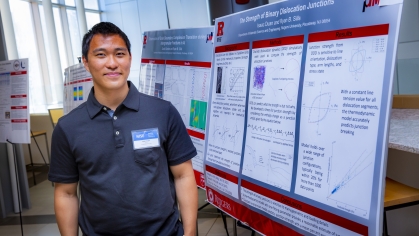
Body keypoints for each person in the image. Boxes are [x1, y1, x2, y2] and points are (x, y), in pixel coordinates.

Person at [48, 22, 198, 236]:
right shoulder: (68, 127)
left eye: (119, 53)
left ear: (129, 58)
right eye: (100, 55)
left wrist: (190, 233)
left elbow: (183, 175)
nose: (112, 63)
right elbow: (66, 194)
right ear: (86, 63)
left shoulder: (162, 112)